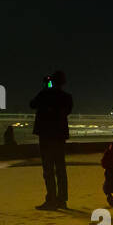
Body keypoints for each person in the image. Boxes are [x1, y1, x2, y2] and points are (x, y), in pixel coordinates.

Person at [30, 70, 73, 210]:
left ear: (52, 81)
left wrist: (45, 88)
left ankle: (51, 199)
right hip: (59, 136)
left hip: (46, 136)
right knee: (61, 169)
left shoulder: (45, 94)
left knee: (48, 169)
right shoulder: (67, 97)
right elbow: (66, 111)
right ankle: (62, 200)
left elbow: (32, 104)